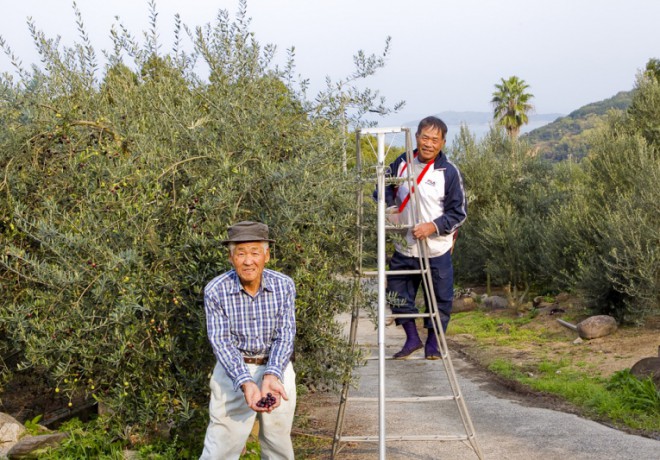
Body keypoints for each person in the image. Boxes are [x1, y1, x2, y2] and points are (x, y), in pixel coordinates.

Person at [200, 221, 297, 459]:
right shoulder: (215, 291)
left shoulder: (284, 285)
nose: (248, 260)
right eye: (240, 253)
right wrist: (245, 381)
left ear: (267, 255)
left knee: (278, 446)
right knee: (219, 448)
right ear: (231, 257)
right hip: (233, 372)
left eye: (255, 252)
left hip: (278, 369)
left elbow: (285, 334)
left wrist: (272, 375)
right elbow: (221, 342)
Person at [382, 116, 467, 360]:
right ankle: (411, 339)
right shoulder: (401, 162)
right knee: (396, 294)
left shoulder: (448, 172)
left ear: (443, 142)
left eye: (435, 139)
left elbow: (458, 213)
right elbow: (382, 187)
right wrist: (390, 208)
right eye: (425, 137)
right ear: (417, 137)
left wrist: (433, 226)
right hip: (405, 246)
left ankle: (433, 343)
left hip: (436, 249)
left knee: (439, 299)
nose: (429, 143)